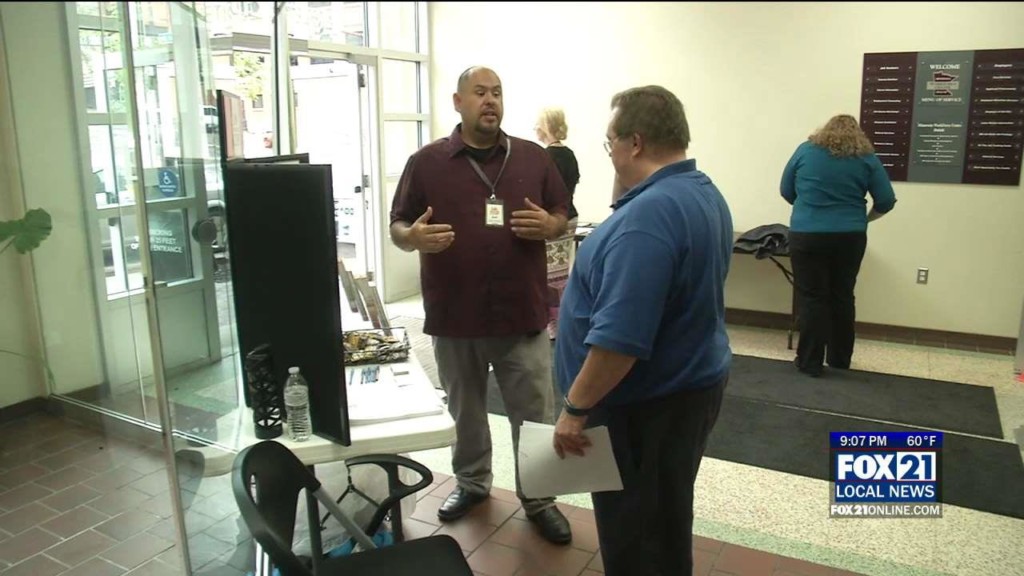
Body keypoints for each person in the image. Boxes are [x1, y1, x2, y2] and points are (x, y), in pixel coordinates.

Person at [552, 85, 733, 575]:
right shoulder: (699, 191)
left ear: (634, 143)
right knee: (663, 523)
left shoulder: (648, 218)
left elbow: (619, 341)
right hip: (684, 392)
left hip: (644, 408)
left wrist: (574, 409)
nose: (609, 154)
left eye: (610, 142)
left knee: (636, 538)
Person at [388, 66, 573, 545]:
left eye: (497, 93)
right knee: (465, 411)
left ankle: (541, 499)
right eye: (479, 93)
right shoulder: (426, 163)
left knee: (534, 414)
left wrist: (551, 227)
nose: (490, 100)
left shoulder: (533, 158)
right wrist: (413, 237)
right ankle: (472, 483)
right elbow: (398, 225)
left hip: (521, 313)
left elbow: (565, 215)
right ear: (458, 102)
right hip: (456, 315)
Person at [780, 114, 897, 377]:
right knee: (842, 296)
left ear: (824, 130)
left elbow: (786, 190)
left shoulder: (806, 150)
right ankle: (840, 359)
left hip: (807, 234)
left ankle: (809, 362)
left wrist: (810, 207)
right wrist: (865, 219)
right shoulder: (866, 157)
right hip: (849, 236)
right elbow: (886, 200)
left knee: (812, 297)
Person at [535, 107, 580, 234]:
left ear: (544, 127)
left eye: (537, 124)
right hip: (570, 216)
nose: (534, 128)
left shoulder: (544, 157)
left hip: (552, 220)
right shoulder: (570, 154)